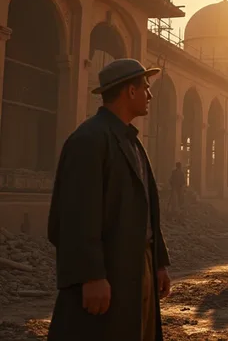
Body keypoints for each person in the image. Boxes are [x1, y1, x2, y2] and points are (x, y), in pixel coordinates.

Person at [47, 59, 171, 341]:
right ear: (130, 91)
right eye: (146, 88)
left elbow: (147, 209)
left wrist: (159, 263)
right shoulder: (89, 140)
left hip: (138, 265)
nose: (149, 95)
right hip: (111, 269)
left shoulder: (131, 141)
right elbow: (74, 216)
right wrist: (91, 275)